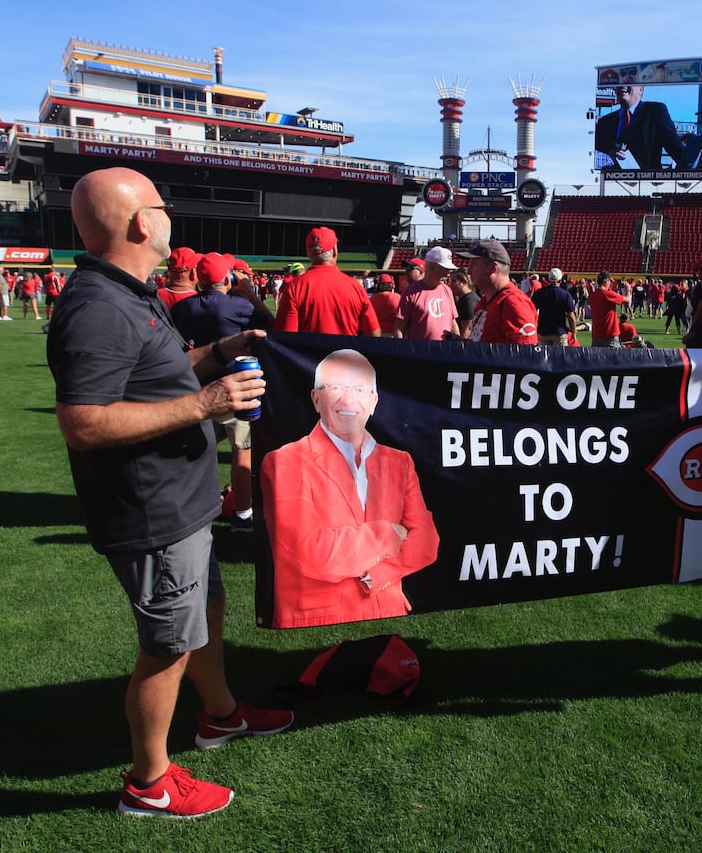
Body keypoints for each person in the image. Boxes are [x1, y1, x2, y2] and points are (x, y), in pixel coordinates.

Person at [46, 167, 292, 820]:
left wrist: (220, 353)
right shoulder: (97, 306)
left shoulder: (129, 292)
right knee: (166, 647)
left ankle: (221, 716)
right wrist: (207, 403)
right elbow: (84, 423)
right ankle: (148, 783)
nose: (169, 215)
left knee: (204, 614)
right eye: (162, 205)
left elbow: (158, 378)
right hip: (149, 511)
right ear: (140, 223)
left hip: (180, 503)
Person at [260, 349, 440, 628]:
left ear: (374, 401)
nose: (348, 399)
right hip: (317, 620)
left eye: (359, 389)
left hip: (387, 610)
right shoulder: (284, 462)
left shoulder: (399, 462)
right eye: (336, 388)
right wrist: (388, 533)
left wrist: (373, 577)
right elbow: (311, 551)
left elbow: (427, 543)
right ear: (316, 398)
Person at [170, 251, 276, 534]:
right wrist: (250, 293)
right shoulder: (236, 306)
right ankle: (242, 514)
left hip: (198, 388)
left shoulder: (182, 308)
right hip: (235, 390)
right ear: (226, 278)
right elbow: (268, 322)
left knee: (195, 453)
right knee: (243, 453)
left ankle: (191, 510)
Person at [275, 226, 380, 337]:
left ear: (308, 252)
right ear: (335, 250)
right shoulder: (356, 287)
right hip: (345, 353)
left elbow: (285, 337)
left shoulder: (294, 287)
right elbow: (374, 334)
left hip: (308, 354)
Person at [452, 240, 538, 344]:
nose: (469, 270)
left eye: (474, 264)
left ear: (492, 267)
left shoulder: (514, 302)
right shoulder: (485, 300)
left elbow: (525, 355)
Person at [593, 84, 685, 171]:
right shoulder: (604, 122)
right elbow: (594, 155)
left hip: (646, 183)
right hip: (611, 183)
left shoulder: (655, 112)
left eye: (628, 82)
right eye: (619, 83)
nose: (623, 85)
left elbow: (676, 150)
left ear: (640, 90)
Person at [395, 246, 457, 340]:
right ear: (431, 267)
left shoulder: (447, 290)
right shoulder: (411, 292)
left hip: (445, 352)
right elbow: (399, 328)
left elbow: (453, 324)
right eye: (444, 269)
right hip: (419, 352)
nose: (448, 274)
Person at [532, 267, 578, 346]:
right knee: (559, 357)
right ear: (560, 280)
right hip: (559, 332)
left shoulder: (540, 293)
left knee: (544, 357)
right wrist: (573, 332)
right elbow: (571, 316)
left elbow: (532, 311)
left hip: (543, 332)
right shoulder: (565, 295)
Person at [586, 271, 627, 348]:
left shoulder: (593, 295)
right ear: (605, 281)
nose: (610, 284)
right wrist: (628, 290)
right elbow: (627, 299)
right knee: (612, 358)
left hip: (597, 333)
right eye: (610, 281)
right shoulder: (607, 294)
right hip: (610, 333)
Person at [447, 268, 479, 339]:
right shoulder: (463, 299)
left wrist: (461, 347)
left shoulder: (469, 300)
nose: (450, 284)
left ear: (464, 282)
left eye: (454, 281)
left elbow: (467, 329)